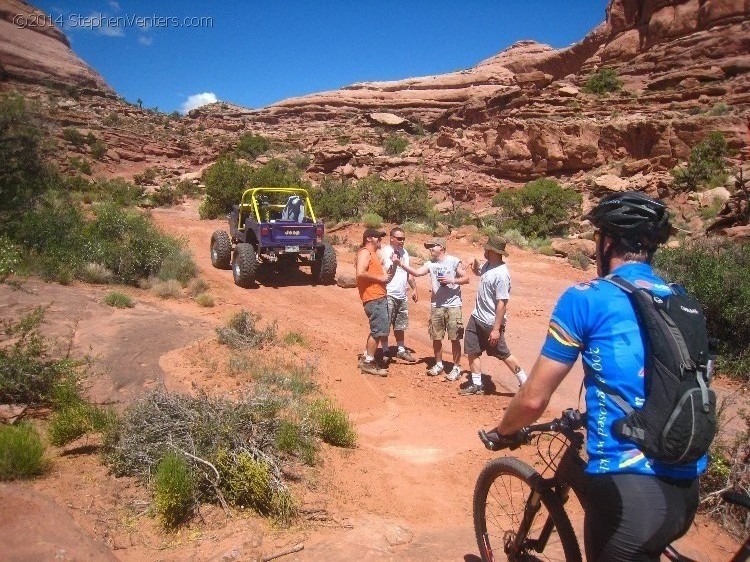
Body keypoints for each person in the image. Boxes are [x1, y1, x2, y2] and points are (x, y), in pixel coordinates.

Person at [485, 192, 704, 562]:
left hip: (629, 495)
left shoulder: (586, 297)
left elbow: (535, 398)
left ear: (606, 243)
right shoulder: (677, 298)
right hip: (686, 486)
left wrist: (503, 431)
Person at [392, 237, 469, 381]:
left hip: (453, 305)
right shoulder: (430, 264)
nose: (430, 249)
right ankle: (439, 364)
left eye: (432, 247)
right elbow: (416, 273)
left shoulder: (453, 261)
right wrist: (400, 263)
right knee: (436, 337)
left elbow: (466, 278)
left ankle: (456, 367)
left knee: (455, 338)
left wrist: (452, 280)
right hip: (436, 306)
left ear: (441, 247)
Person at [459, 235, 527, 396]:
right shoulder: (489, 265)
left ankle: (526, 384)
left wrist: (496, 329)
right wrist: (473, 262)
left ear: (492, 251)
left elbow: (502, 303)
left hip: (491, 322)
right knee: (472, 350)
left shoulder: (502, 274)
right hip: (476, 317)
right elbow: (477, 271)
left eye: (486, 249)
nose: (484, 250)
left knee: (503, 354)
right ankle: (477, 384)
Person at [356, 227, 396, 376]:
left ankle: (368, 358)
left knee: (378, 329)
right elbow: (360, 273)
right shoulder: (365, 252)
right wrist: (379, 278)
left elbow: (383, 276)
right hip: (373, 298)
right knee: (378, 330)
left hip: (378, 296)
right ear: (368, 239)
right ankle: (368, 363)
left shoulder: (373, 254)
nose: (380, 240)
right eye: (377, 237)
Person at [379, 227, 418, 363]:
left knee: (400, 325)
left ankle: (401, 350)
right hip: (388, 293)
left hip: (402, 295)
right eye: (399, 238)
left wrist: (414, 289)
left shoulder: (405, 253)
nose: (402, 241)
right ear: (392, 238)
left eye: (403, 239)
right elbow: (380, 272)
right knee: (385, 323)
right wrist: (393, 264)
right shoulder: (384, 252)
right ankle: (385, 350)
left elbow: (408, 274)